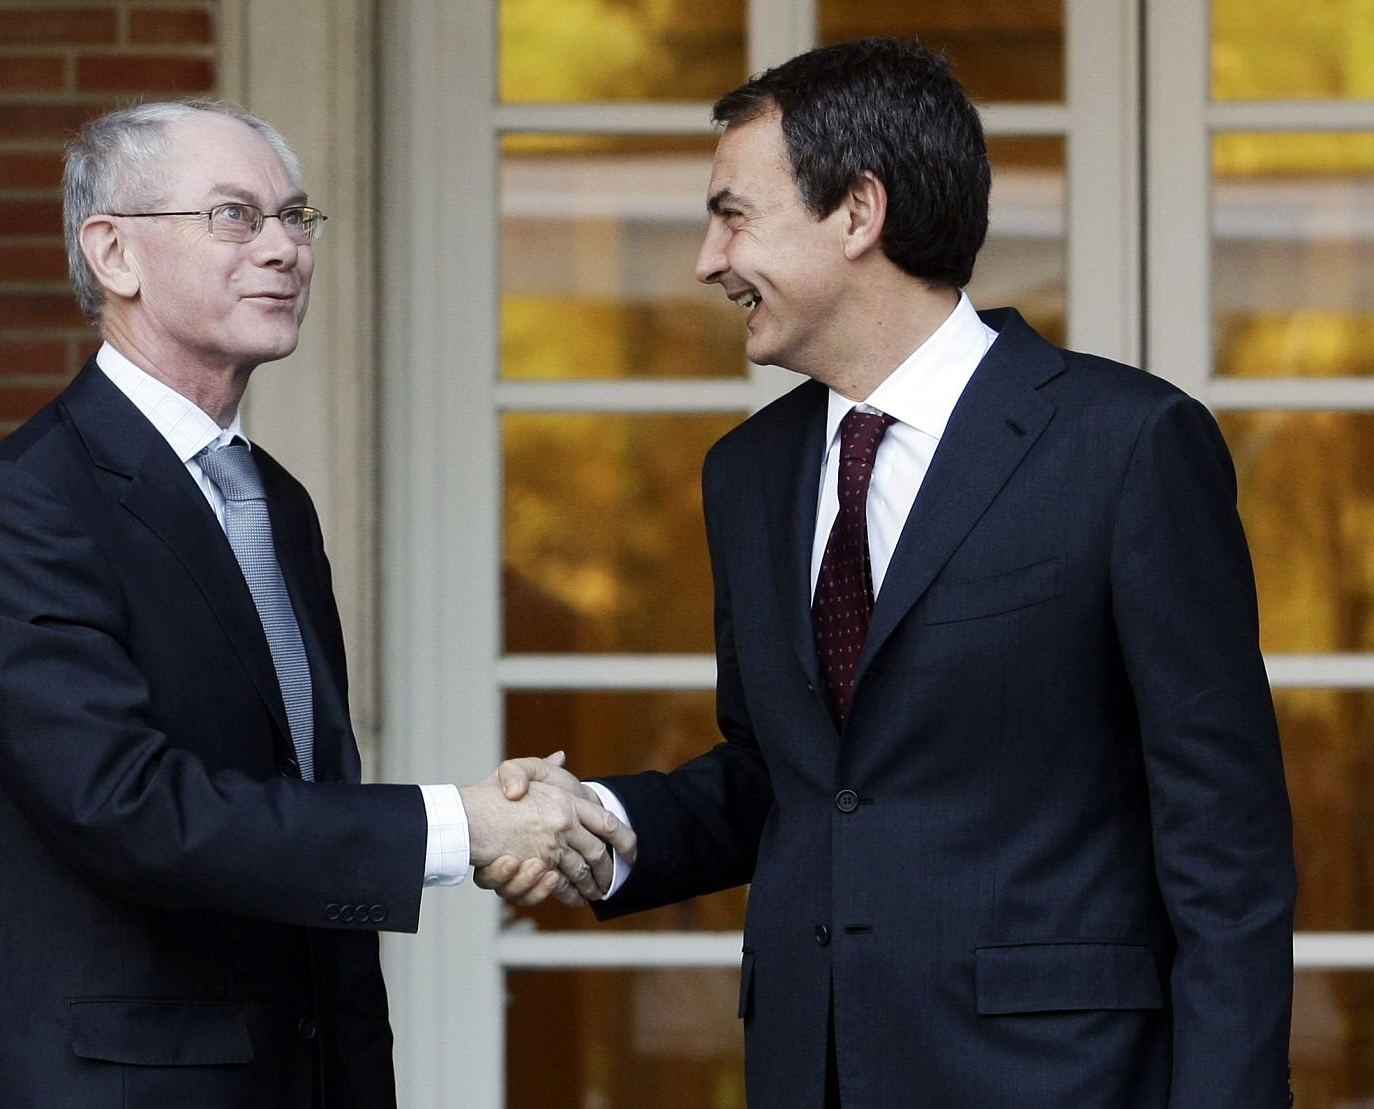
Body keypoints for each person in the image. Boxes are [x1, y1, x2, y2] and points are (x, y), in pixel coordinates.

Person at [479, 39, 1296, 1108]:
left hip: (1061, 1080)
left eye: (733, 214)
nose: (706, 259)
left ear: (857, 213)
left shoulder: (1127, 444)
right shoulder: (748, 474)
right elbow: (790, 773)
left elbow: (1223, 838)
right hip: (809, 1072)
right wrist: (602, 825)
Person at [0, 99, 633, 1109]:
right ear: (114, 252)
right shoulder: (23, 508)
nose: (283, 249)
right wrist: (457, 825)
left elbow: (290, 787)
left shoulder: (273, 500)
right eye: (233, 216)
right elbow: (127, 807)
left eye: (295, 218)